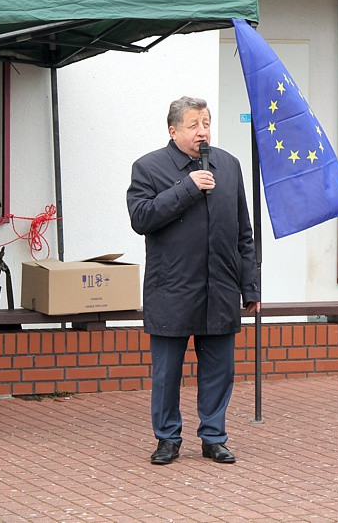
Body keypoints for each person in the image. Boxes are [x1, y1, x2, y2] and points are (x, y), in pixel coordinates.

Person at [126, 96, 261, 466]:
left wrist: (250, 287)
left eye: (206, 123)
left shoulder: (228, 166)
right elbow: (141, 217)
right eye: (193, 125)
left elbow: (243, 234)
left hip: (220, 288)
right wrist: (188, 187)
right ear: (173, 131)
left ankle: (213, 437)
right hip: (171, 289)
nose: (202, 132)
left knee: (220, 370)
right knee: (167, 373)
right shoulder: (148, 168)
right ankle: (167, 439)